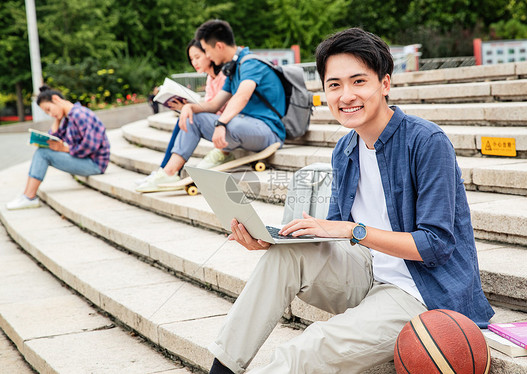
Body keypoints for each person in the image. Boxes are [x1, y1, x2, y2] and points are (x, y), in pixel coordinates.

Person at [207, 28, 494, 374]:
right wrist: (272, 241)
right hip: (366, 273)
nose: (346, 95)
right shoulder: (345, 150)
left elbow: (436, 245)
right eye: (334, 85)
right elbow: (332, 237)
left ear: (385, 84)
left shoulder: (427, 142)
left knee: (308, 350)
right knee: (284, 257)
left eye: (359, 81)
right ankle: (221, 369)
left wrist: (352, 229)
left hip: (422, 293)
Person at [136, 19, 285, 192]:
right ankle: (169, 172)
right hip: (245, 126)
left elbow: (242, 97)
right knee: (193, 117)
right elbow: (215, 104)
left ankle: (215, 154)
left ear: (219, 46)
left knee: (230, 121)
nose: (208, 55)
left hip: (268, 131)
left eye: (206, 50)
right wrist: (189, 107)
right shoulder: (234, 68)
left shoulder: (251, 64)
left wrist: (221, 123)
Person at [136, 38, 227, 187]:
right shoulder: (211, 78)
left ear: (209, 54)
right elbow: (210, 107)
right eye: (192, 59)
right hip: (216, 123)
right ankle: (165, 170)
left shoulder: (224, 77)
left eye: (197, 57)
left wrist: (191, 108)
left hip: (226, 126)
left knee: (189, 117)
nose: (194, 63)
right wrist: (185, 107)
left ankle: (167, 171)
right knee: (185, 116)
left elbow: (216, 108)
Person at [6, 86, 110, 210]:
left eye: (49, 109)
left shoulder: (79, 114)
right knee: (43, 150)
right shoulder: (67, 118)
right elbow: (53, 139)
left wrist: (65, 149)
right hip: (85, 161)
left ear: (55, 99)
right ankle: (27, 195)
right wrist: (57, 119)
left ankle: (29, 197)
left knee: (43, 153)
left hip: (94, 164)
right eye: (47, 113)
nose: (51, 114)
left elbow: (91, 146)